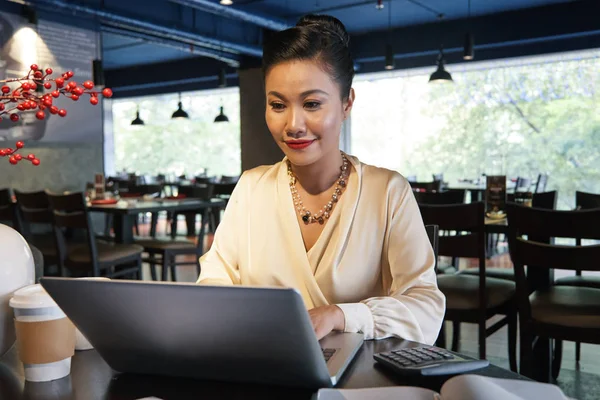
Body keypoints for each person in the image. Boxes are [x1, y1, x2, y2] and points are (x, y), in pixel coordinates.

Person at [197, 14, 445, 345]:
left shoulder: (387, 191)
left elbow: (425, 305)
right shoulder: (251, 187)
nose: (293, 124)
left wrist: (342, 315)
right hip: (265, 364)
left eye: (312, 103)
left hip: (358, 377)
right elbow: (213, 283)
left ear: (347, 104)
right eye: (278, 105)